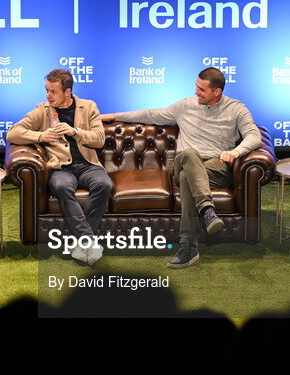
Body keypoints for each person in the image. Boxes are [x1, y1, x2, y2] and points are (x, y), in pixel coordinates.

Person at [101, 67, 262, 269]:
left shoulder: (236, 109)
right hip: (185, 160)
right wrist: (114, 115)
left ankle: (188, 246)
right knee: (188, 154)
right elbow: (151, 115)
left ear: (217, 92)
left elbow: (254, 136)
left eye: (201, 89)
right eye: (196, 87)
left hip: (215, 166)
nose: (196, 92)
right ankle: (207, 210)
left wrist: (236, 152)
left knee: (187, 178)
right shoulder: (185, 106)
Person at [7, 69, 112, 264]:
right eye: (46, 90)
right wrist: (41, 136)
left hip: (88, 165)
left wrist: (75, 131)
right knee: (62, 186)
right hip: (61, 168)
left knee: (104, 184)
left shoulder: (88, 107)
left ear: (67, 92)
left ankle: (81, 243)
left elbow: (99, 139)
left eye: (53, 92)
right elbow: (13, 133)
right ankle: (88, 241)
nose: (48, 95)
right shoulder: (43, 110)